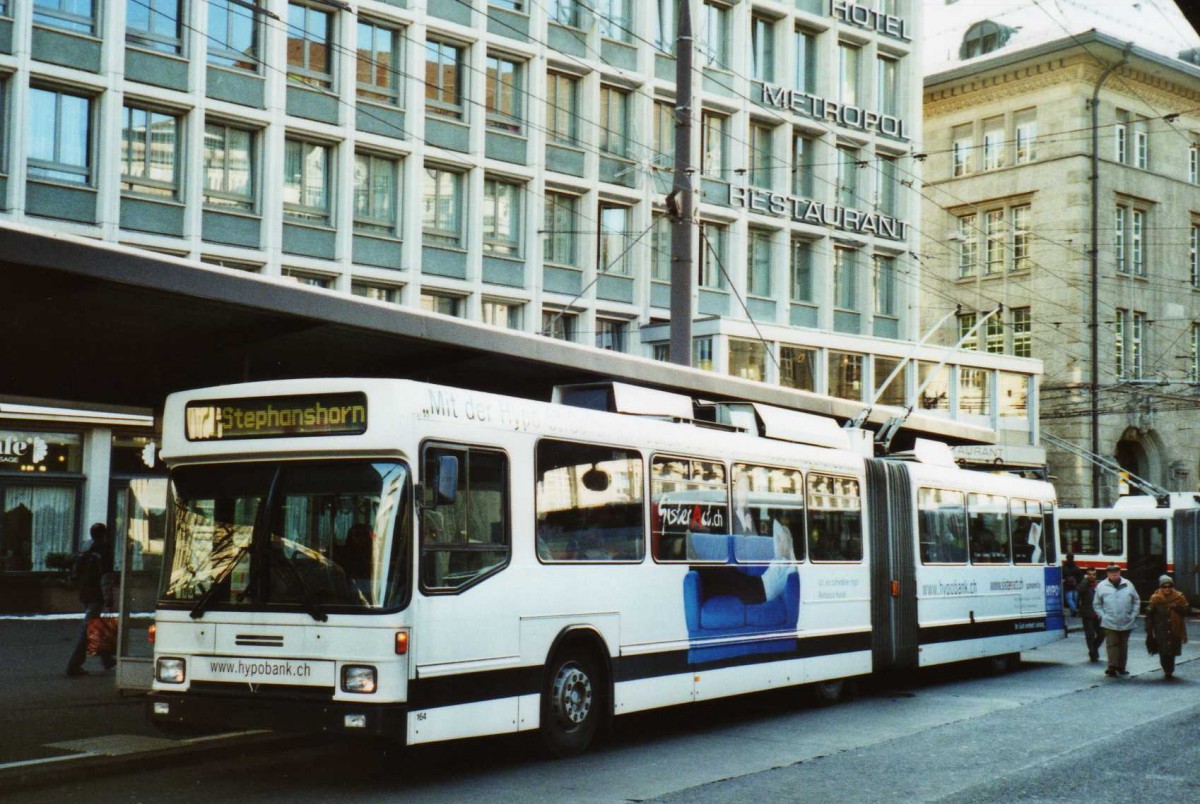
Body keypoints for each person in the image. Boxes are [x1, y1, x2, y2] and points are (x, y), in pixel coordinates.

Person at [65, 523, 116, 677]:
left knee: (96, 625)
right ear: (104, 534)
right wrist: (109, 598)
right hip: (96, 594)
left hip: (85, 592)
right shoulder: (104, 550)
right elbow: (105, 577)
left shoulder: (85, 549)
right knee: (88, 628)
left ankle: (107, 659)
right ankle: (74, 665)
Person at [1095, 563, 1140, 677]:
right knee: (1112, 644)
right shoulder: (1101, 586)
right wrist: (1102, 615)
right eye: (1112, 573)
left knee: (1123, 645)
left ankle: (1121, 667)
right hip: (1109, 621)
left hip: (1126, 620)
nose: (1115, 575)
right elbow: (1097, 603)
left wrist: (1134, 614)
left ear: (1120, 573)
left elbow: (1136, 600)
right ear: (1108, 574)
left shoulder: (1128, 584)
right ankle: (1112, 667)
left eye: (1116, 573)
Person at [1145, 574, 1189, 679]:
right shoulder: (1155, 599)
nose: (1167, 589)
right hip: (1160, 628)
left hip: (1175, 627)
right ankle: (1166, 669)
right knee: (1163, 651)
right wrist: (1149, 630)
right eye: (1164, 586)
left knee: (1172, 650)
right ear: (1161, 587)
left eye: (1169, 586)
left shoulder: (1179, 597)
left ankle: (1170, 670)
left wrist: (1176, 607)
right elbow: (1149, 615)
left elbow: (1187, 611)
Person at [1078, 568, 1102, 662]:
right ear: (1087, 575)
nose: (1092, 576)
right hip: (1087, 614)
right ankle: (1092, 653)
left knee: (1102, 634)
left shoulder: (1099, 585)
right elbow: (1079, 590)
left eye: (1094, 574)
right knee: (1090, 635)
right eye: (1090, 574)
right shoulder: (1084, 585)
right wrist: (1085, 580)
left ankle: (1094, 648)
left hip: (1098, 614)